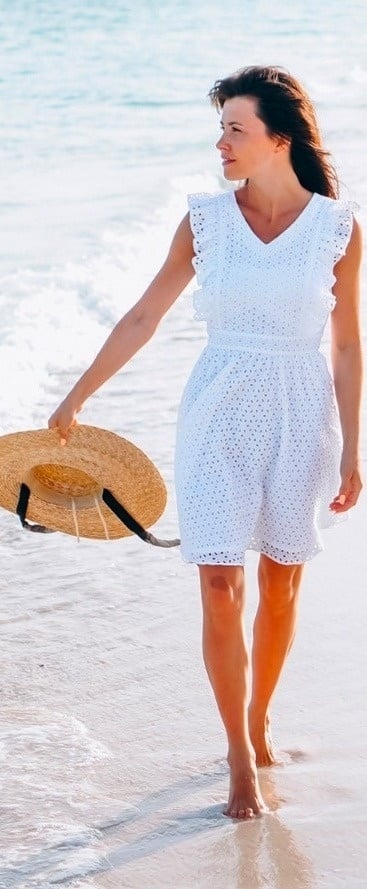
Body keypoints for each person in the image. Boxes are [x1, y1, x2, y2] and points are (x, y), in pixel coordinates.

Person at [48, 66, 363, 820]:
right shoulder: (203, 222)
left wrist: (355, 446)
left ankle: (258, 721)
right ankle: (236, 753)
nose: (218, 143)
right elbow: (143, 315)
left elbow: (347, 344)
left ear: (277, 138)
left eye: (234, 129)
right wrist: (78, 392)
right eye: (219, 128)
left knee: (282, 581)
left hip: (299, 411)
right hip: (216, 411)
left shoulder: (338, 227)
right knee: (220, 582)